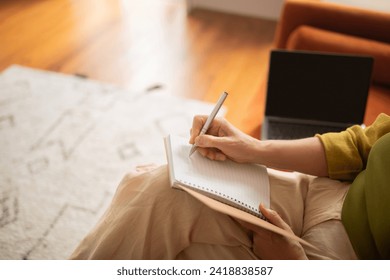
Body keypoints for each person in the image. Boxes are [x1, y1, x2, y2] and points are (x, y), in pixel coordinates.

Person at [70, 113, 390, 260]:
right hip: (327, 189)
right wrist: (253, 148)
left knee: (185, 251)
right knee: (157, 188)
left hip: (342, 257)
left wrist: (292, 266)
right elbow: (361, 144)